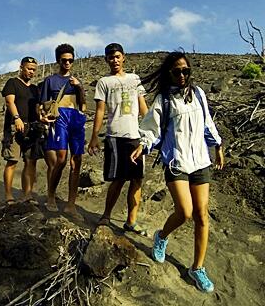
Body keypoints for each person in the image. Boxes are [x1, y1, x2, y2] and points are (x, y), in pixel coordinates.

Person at [130, 51, 224, 293]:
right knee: (185, 212)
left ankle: (197, 268)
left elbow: (207, 124)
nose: (182, 75)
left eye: (185, 70)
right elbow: (151, 127)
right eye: (176, 71)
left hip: (201, 161)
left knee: (202, 214)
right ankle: (162, 236)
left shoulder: (199, 94)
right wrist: (143, 144)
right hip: (176, 162)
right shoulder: (164, 99)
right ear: (169, 73)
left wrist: (218, 147)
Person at [88, 43, 149, 234]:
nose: (114, 60)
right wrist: (94, 137)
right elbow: (100, 110)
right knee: (119, 178)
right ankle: (106, 215)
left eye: (117, 56)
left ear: (124, 57)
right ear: (106, 60)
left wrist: (151, 131)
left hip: (135, 136)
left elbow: (143, 107)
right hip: (115, 135)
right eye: (110, 57)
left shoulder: (134, 79)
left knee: (137, 179)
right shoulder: (104, 82)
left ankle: (131, 221)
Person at [39, 44, 86, 218]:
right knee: (61, 159)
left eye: (70, 60)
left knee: (77, 161)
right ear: (58, 60)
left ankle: (71, 204)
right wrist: (42, 117)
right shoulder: (50, 81)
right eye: (64, 60)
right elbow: (42, 105)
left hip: (76, 119)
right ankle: (51, 196)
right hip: (60, 120)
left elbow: (84, 105)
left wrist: (80, 87)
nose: (67, 63)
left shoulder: (76, 81)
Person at [1, 57, 44, 205]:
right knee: (12, 161)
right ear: (21, 67)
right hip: (15, 127)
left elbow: (37, 108)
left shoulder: (35, 89)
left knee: (30, 161)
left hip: (31, 128)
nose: (31, 72)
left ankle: (27, 194)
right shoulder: (12, 82)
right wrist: (17, 118)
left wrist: (42, 119)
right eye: (28, 68)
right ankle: (8, 195)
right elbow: (9, 101)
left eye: (33, 69)